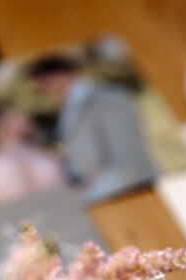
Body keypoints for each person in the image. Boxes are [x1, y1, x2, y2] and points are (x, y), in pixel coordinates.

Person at [28, 55, 158, 203]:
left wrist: (83, 198)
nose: (45, 91)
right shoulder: (68, 108)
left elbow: (128, 163)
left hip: (135, 194)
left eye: (45, 83)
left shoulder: (108, 99)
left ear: (63, 74)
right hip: (100, 191)